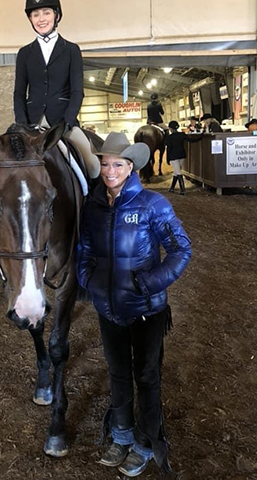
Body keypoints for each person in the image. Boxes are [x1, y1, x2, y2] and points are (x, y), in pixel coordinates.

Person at [77, 132, 191, 477]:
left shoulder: (153, 205)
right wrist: (88, 281)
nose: (110, 170)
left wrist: (148, 282)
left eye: (118, 164)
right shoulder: (92, 206)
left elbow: (181, 250)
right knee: (117, 374)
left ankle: (145, 442)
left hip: (146, 311)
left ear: (130, 167)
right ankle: (122, 434)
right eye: (105, 163)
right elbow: (83, 250)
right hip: (108, 309)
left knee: (147, 376)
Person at [13, 0, 100, 179]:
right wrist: (21, 124)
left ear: (57, 16)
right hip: (31, 124)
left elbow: (77, 92)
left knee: (93, 167)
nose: (41, 18)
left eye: (46, 13)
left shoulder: (71, 50)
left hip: (63, 122)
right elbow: (19, 93)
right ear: (30, 19)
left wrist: (67, 122)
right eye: (36, 14)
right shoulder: (24, 53)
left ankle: (96, 206)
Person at [165, 120, 203, 195]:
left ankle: (183, 189)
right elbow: (192, 140)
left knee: (178, 173)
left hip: (173, 157)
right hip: (181, 155)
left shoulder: (169, 137)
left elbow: (168, 149)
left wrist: (167, 159)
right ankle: (172, 188)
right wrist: (201, 136)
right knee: (176, 173)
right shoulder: (182, 134)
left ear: (170, 128)